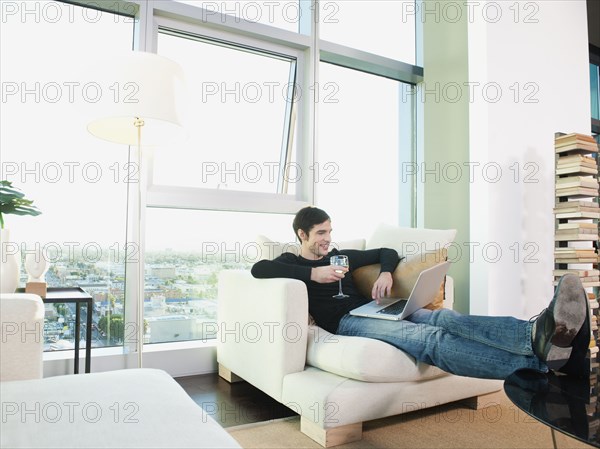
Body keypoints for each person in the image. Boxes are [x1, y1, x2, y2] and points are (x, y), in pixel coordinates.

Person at [251, 206, 591, 380]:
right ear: (302, 234)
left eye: (330, 231)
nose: (327, 238)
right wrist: (313, 273)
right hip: (346, 322)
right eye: (321, 233)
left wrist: (385, 272)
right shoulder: (289, 261)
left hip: (375, 308)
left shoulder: (342, 256)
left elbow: (386, 251)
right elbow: (259, 270)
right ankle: (541, 366)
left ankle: (535, 332)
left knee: (444, 317)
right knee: (429, 340)